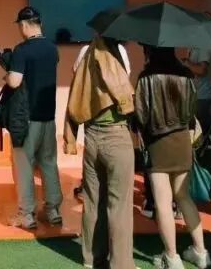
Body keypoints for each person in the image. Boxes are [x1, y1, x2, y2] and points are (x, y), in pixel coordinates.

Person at [64, 35, 136, 269]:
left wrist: (70, 137)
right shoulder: (119, 52)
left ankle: (91, 258)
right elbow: (124, 88)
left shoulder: (84, 52)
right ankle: (121, 264)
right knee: (119, 205)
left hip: (91, 135)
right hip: (116, 136)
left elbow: (77, 88)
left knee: (93, 201)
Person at [135, 47, 210, 269]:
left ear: (150, 52)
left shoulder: (146, 77)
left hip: (158, 143)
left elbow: (141, 115)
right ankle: (200, 252)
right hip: (182, 140)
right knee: (184, 197)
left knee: (163, 203)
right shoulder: (185, 74)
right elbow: (191, 109)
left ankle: (172, 257)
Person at [0, 6, 62, 229]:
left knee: (24, 166)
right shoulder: (52, 49)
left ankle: (26, 215)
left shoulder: (22, 50)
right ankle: (53, 210)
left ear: (24, 25)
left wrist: (7, 74)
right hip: (49, 118)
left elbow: (15, 82)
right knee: (49, 163)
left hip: (26, 119)